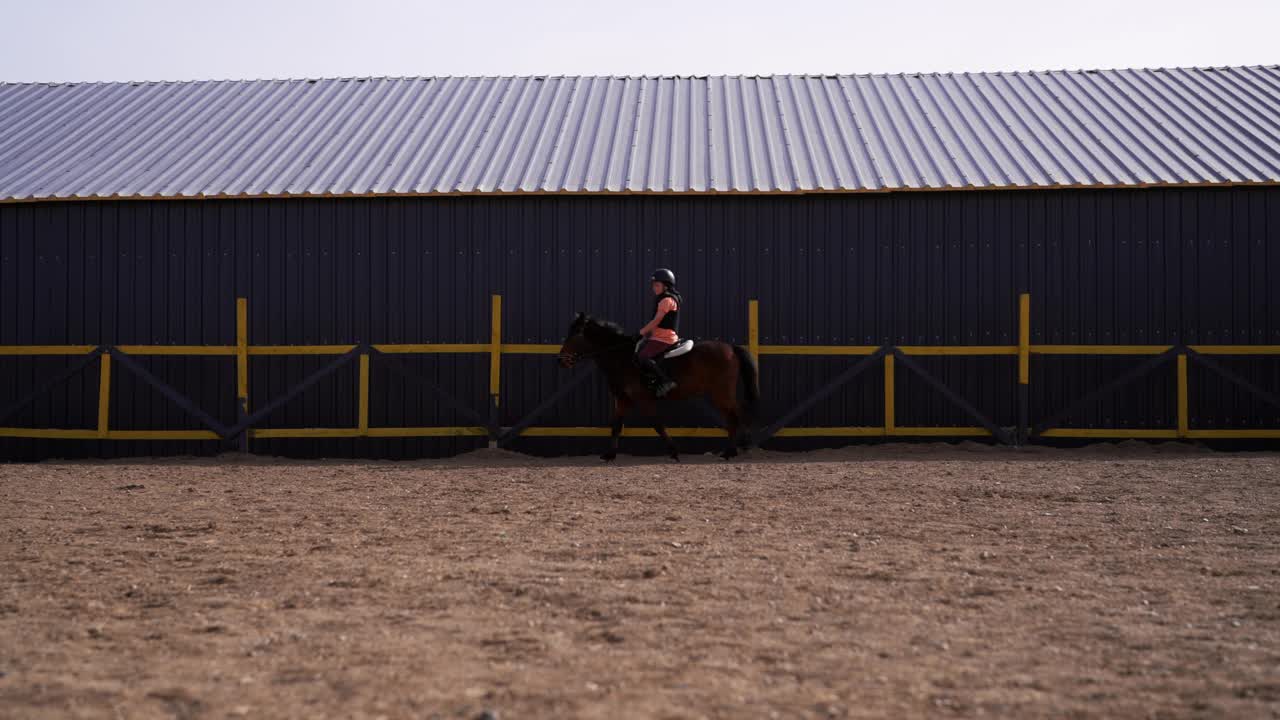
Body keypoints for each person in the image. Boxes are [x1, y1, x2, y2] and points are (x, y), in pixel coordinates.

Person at [635, 268, 682, 397]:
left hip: (664, 339)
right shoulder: (663, 299)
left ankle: (666, 382)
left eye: (657, 285)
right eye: (653, 285)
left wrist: (641, 332)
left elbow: (656, 321)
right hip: (657, 337)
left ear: (666, 286)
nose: (654, 288)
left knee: (642, 357)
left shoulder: (666, 300)